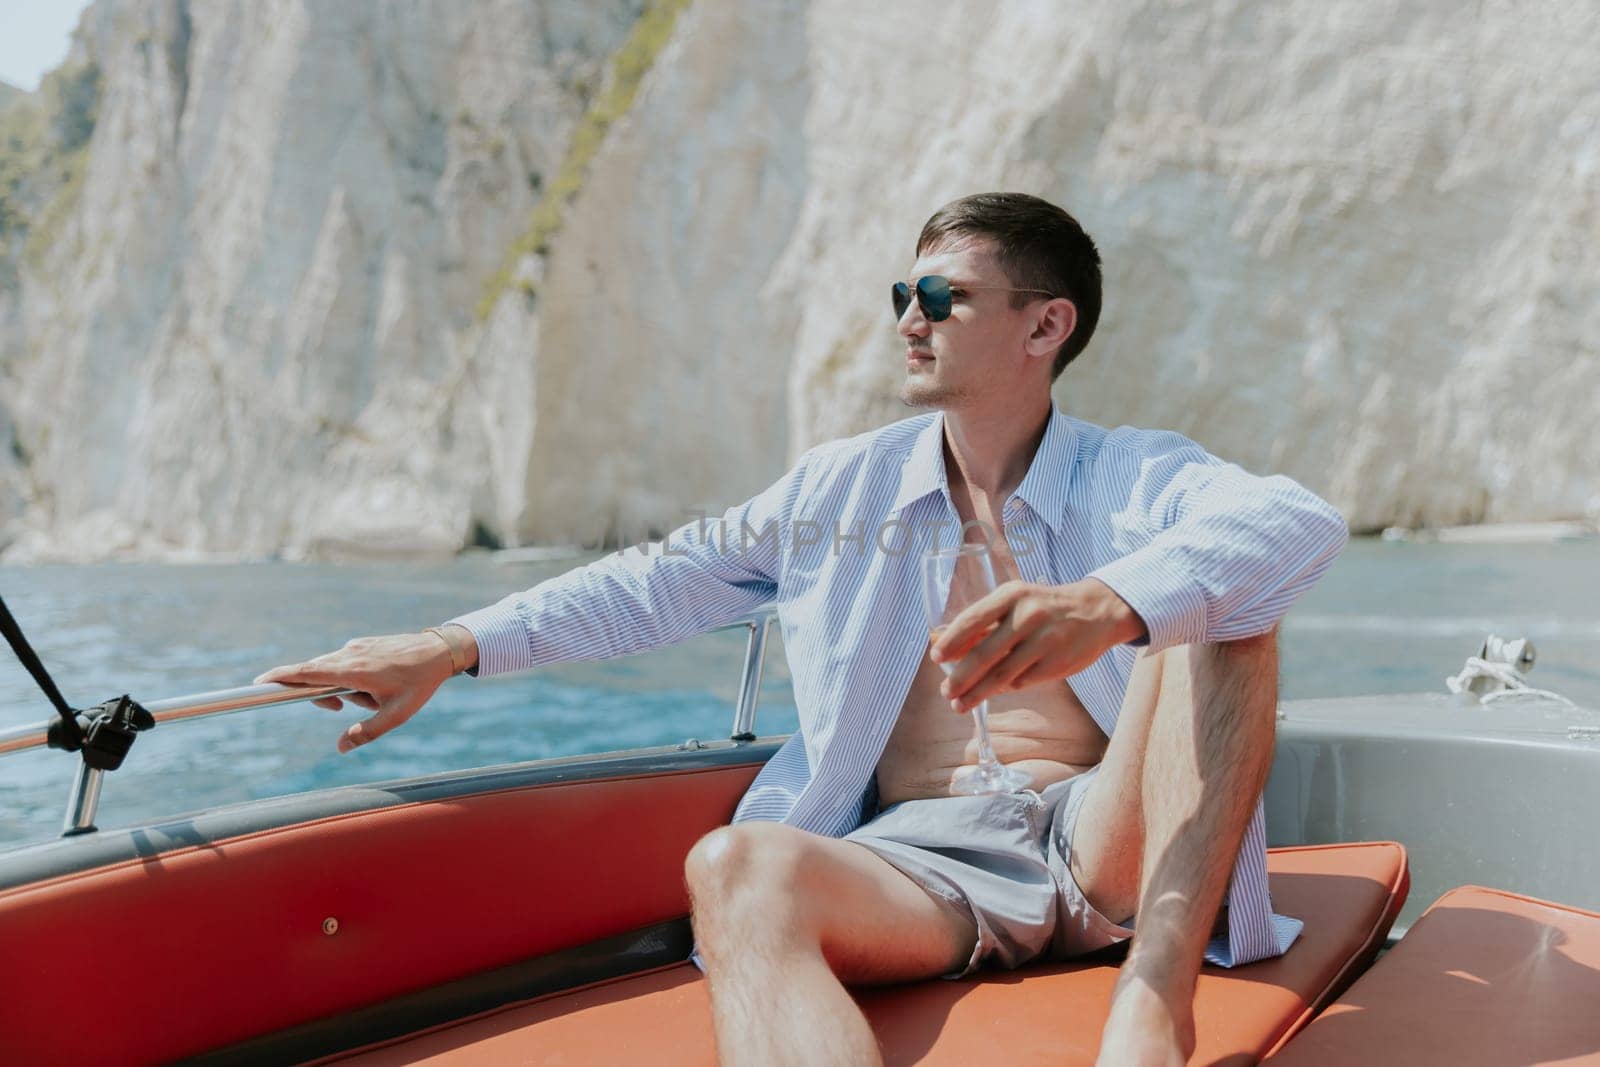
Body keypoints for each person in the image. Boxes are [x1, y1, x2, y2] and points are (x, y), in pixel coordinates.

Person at [258, 192, 1348, 1066]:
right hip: (925, 861)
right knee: (734, 865)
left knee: (1230, 602)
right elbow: (658, 580)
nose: (908, 319)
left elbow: (1293, 520)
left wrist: (1105, 603)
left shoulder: (1132, 474)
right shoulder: (841, 487)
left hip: (1108, 839)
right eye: (901, 293)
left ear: (1043, 324)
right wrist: (452, 643)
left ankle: (1148, 1015)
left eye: (941, 295)